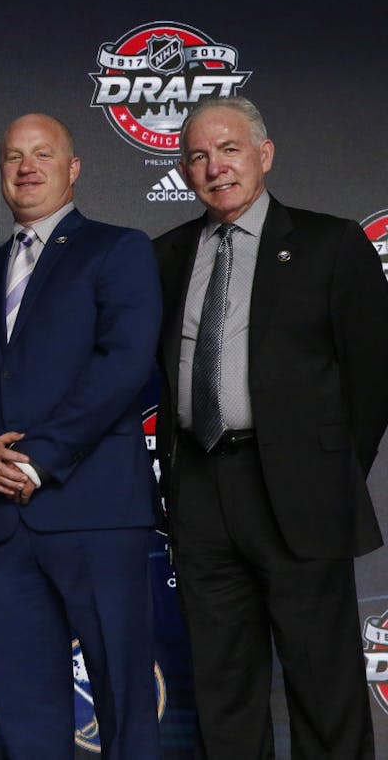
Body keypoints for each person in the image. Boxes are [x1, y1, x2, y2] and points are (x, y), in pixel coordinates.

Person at [154, 96, 388, 758]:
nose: (214, 166)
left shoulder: (330, 243)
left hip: (299, 492)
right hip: (200, 492)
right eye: (197, 155)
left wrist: (327, 466)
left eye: (228, 149)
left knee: (324, 683)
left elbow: (372, 376)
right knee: (223, 685)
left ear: (264, 153)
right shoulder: (167, 255)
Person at [0, 113, 161, 759]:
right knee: (26, 709)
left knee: (125, 703)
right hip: (1, 524)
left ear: (73, 169)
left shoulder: (118, 248)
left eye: (43, 153)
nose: (27, 167)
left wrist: (38, 458)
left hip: (94, 511)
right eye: (13, 155)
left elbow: (124, 365)